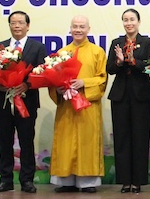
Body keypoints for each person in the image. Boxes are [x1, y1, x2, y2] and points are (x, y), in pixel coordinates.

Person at [0, 11, 47, 194]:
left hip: (27, 103)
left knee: (26, 142)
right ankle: (5, 180)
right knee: (4, 142)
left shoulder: (37, 47)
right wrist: (0, 86)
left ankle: (27, 180)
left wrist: (26, 85)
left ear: (27, 26)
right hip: (3, 104)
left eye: (20, 22)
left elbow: (43, 73)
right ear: (9, 26)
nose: (16, 26)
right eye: (13, 23)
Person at [49, 15, 108, 193]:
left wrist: (84, 83)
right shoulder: (62, 53)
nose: (78, 30)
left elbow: (102, 79)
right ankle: (65, 181)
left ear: (88, 29)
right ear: (70, 29)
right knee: (65, 142)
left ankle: (88, 182)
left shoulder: (97, 52)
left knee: (87, 142)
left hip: (87, 106)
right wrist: (58, 89)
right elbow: (52, 80)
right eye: (75, 26)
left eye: (82, 26)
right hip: (67, 106)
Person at [106, 9, 150, 194]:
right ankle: (125, 181)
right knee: (121, 139)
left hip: (142, 96)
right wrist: (119, 62)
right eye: (125, 20)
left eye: (132, 20)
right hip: (120, 95)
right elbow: (109, 69)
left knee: (140, 138)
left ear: (139, 22)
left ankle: (138, 181)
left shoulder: (147, 42)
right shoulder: (116, 43)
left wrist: (133, 60)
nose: (129, 23)